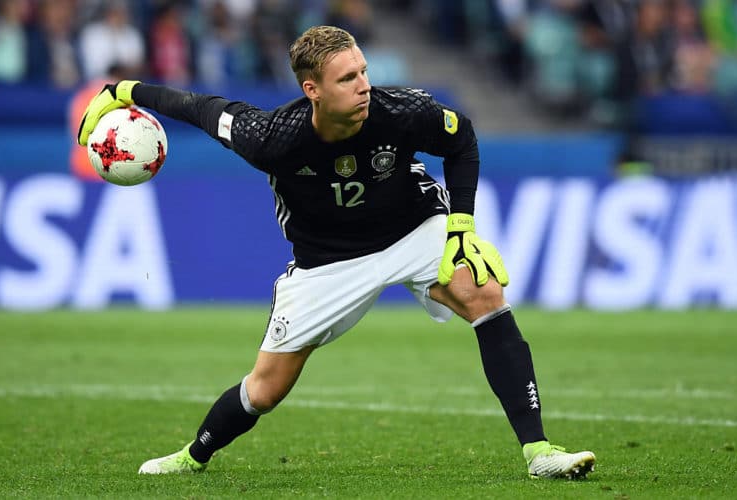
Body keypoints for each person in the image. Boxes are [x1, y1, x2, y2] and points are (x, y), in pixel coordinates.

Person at [77, 25, 596, 480]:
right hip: (327, 262)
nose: (364, 85)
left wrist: (461, 224)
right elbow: (200, 107)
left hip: (412, 228)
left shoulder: (401, 111)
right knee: (264, 389)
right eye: (348, 78)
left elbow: (463, 141)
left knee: (482, 291)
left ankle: (538, 451)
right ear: (313, 90)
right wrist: (124, 90)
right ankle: (193, 455)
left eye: (363, 71)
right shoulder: (272, 138)